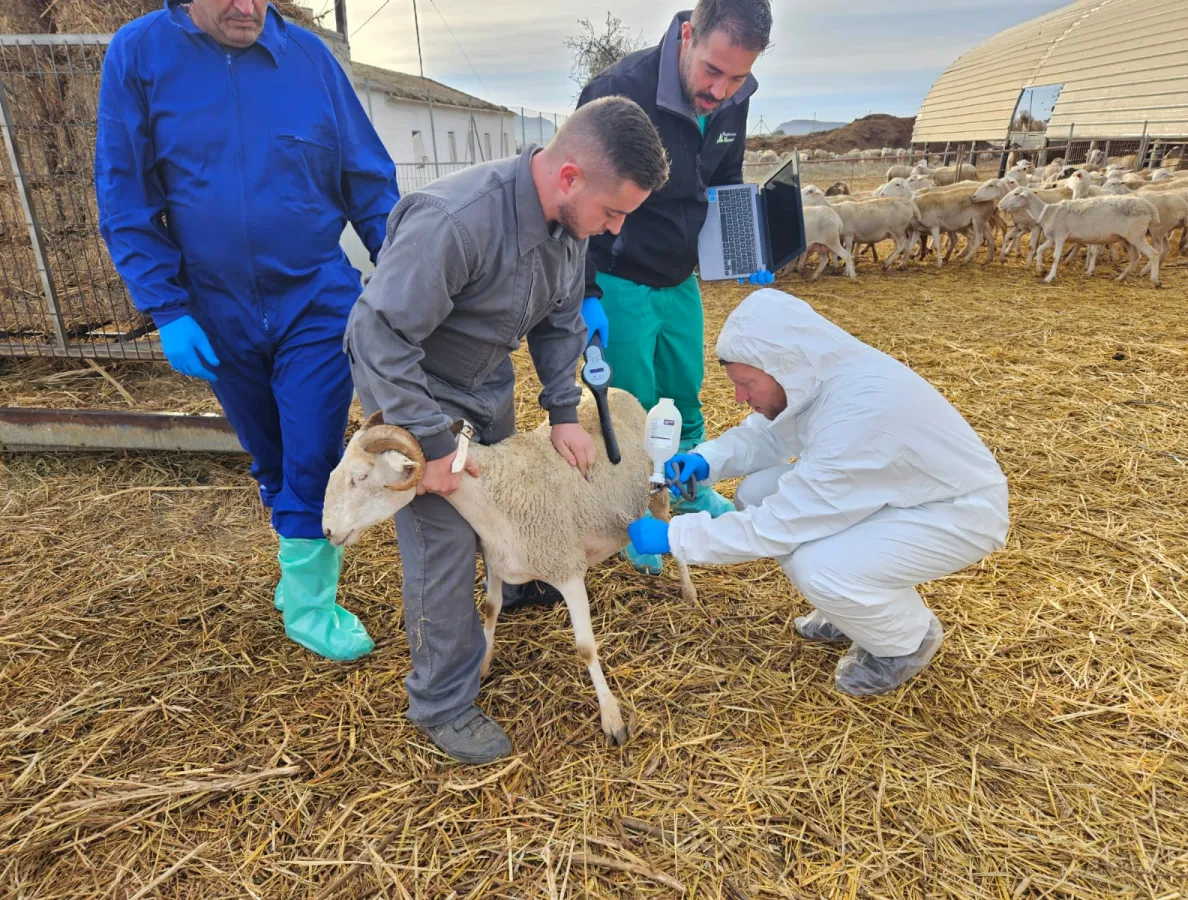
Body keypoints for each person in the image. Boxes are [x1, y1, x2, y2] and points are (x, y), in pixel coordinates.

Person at [343, 96, 670, 764]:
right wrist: (431, 448)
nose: (611, 230)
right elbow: (381, 334)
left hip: (485, 382)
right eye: (612, 213)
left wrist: (561, 413)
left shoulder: (568, 229)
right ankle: (442, 699)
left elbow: (557, 324)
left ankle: (517, 577)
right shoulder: (456, 221)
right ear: (571, 176)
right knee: (442, 543)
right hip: (414, 389)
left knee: (507, 498)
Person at [95, 0, 400, 662]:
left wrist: (406, 276)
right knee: (268, 453)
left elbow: (370, 184)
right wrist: (168, 309)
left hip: (314, 299)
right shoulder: (139, 57)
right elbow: (126, 196)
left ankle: (312, 602)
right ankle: (297, 568)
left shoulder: (311, 61)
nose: (247, 7)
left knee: (313, 451)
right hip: (215, 306)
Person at [627, 290, 1010, 695]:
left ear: (780, 366)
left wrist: (676, 537)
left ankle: (905, 640)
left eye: (746, 384)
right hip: (907, 496)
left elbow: (779, 524)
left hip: (956, 513)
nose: (740, 397)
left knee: (819, 567)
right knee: (758, 491)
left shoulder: (859, 414)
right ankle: (853, 611)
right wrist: (707, 460)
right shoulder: (819, 378)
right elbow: (772, 436)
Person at [573, 0, 775, 577]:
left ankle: (685, 493)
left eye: (738, 76)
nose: (722, 89)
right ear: (689, 35)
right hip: (620, 273)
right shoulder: (618, 91)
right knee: (634, 400)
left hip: (678, 275)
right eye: (713, 70)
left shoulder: (735, 97)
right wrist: (586, 290)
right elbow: (582, 196)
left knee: (686, 388)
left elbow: (724, 180)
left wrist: (743, 246)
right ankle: (637, 511)